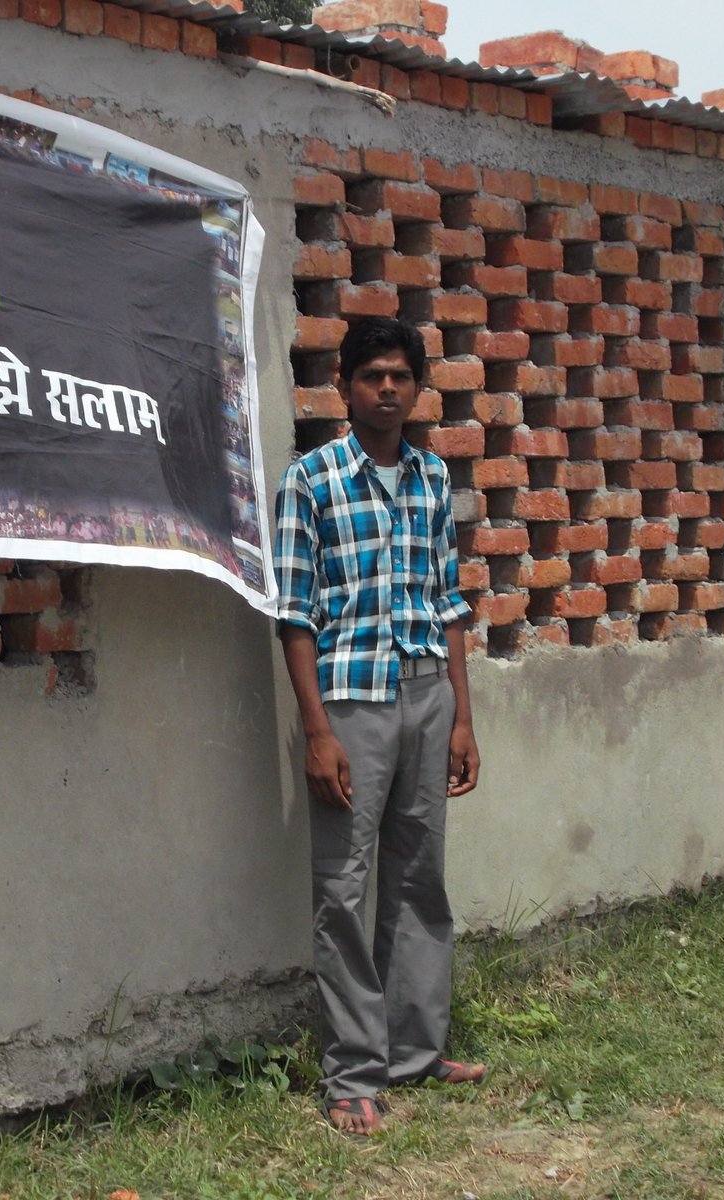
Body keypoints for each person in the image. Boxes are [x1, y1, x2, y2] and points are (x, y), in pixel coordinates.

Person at [272, 316, 483, 1138]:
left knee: (420, 876)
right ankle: (354, 1074)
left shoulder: (432, 477)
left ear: (418, 387)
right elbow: (295, 615)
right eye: (371, 376)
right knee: (343, 887)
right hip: (351, 703)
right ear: (344, 387)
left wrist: (462, 717)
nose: (387, 389)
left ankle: (416, 1052)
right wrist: (316, 731)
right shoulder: (312, 481)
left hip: (428, 695)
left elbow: (449, 602)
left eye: (400, 375)